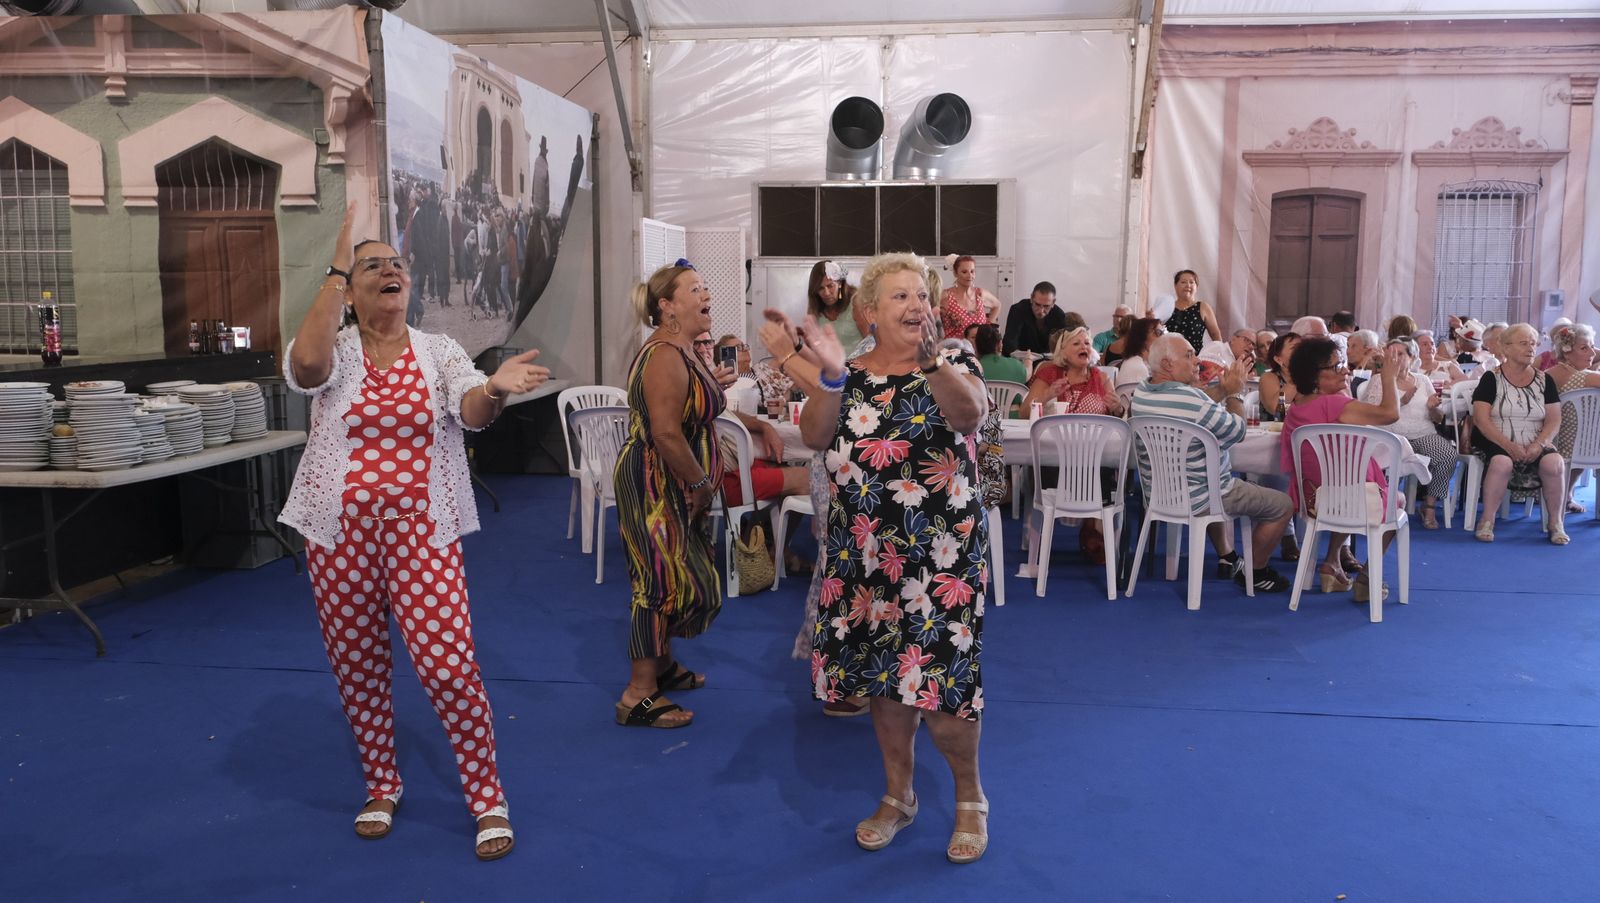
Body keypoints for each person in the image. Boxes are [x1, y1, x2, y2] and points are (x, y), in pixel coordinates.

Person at [281, 208, 550, 861]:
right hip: (337, 535)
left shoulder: (439, 351)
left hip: (420, 533)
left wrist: (494, 388)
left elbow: (470, 408)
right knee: (358, 666)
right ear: (349, 285)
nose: (391, 270)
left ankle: (487, 795)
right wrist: (336, 270)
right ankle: (381, 783)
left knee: (447, 664)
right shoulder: (339, 350)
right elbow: (306, 367)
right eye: (373, 264)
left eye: (397, 263)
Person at [795, 252, 991, 863]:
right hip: (866, 555)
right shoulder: (847, 370)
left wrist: (932, 362)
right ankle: (899, 795)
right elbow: (815, 436)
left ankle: (969, 798)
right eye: (900, 297)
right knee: (885, 682)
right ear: (870, 313)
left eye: (921, 296)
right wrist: (829, 376)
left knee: (945, 684)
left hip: (941, 557)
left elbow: (971, 415)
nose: (915, 306)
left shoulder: (952, 359)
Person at [613, 264, 736, 730]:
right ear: (667, 307)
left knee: (682, 574)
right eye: (695, 289)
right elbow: (664, 433)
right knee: (658, 582)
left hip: (671, 480)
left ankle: (661, 665)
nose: (707, 294)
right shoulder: (665, 353)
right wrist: (700, 483)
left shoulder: (682, 349)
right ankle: (638, 694)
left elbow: (681, 412)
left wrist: (710, 391)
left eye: (705, 286)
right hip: (656, 481)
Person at [1130, 335, 1294, 592]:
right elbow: (1238, 431)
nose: (1197, 361)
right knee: (1283, 505)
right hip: (1203, 495)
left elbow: (1194, 401)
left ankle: (1228, 556)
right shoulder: (1193, 402)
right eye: (1189, 355)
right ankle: (1257, 571)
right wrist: (1236, 394)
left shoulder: (1141, 392)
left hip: (1159, 495)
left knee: (1210, 478)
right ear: (1167, 364)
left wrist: (1224, 390)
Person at [1280, 337, 1406, 601]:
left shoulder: (1296, 409)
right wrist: (1388, 376)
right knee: (1398, 500)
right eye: (1337, 367)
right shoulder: (1335, 406)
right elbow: (1390, 413)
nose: (1346, 370)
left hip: (1315, 500)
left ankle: (1331, 563)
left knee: (1347, 487)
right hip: (1348, 499)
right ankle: (1367, 578)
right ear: (1315, 376)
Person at [709, 334, 814, 572]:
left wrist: (764, 425)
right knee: (810, 479)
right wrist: (764, 426)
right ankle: (768, 549)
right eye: (701, 345)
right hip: (726, 478)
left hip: (726, 470)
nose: (743, 352)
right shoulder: (717, 387)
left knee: (786, 470)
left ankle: (767, 545)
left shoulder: (718, 387)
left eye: (744, 346)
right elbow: (732, 430)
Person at [1024, 325, 1125, 561]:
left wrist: (1118, 408)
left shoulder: (1101, 377)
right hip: (1054, 459)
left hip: (1093, 459)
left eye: (1087, 343)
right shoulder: (1049, 373)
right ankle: (1089, 530)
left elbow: (1117, 417)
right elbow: (1023, 412)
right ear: (1064, 352)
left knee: (1104, 469)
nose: (1084, 347)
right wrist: (1048, 394)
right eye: (1077, 344)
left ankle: (1096, 533)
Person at [1471, 323, 1568, 544]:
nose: (1530, 348)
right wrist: (1509, 445)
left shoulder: (1545, 380)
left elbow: (1554, 419)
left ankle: (1555, 522)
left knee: (1555, 463)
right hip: (1498, 436)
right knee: (1502, 463)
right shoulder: (1490, 379)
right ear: (1505, 348)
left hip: (1536, 438)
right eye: (1523, 343)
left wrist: (1539, 445)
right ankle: (1487, 520)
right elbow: (1481, 420)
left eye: (1533, 343)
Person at [1359, 337, 1459, 530]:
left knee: (1448, 455)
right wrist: (1403, 401)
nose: (1394, 358)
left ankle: (1429, 505)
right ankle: (1384, 505)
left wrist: (1433, 409)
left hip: (1422, 433)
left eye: (1400, 354)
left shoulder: (1422, 380)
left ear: (1412, 358)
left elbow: (1437, 418)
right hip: (1389, 435)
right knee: (1386, 458)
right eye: (1390, 354)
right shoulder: (1379, 381)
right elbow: (1371, 415)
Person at [1546, 323, 1600, 513]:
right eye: (1584, 348)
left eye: (1593, 346)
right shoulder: (1585, 377)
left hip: (1569, 440)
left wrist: (1588, 349)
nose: (1592, 352)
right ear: (1567, 352)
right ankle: (1562, 495)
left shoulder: (1553, 372)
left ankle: (1566, 495)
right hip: (1570, 443)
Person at [807, 260, 867, 356]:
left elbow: (870, 341)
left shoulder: (856, 301)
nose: (826, 293)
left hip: (858, 365)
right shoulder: (815, 309)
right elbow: (813, 347)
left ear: (840, 283)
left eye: (830, 286)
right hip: (829, 367)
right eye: (820, 288)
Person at [940, 254, 1001, 339]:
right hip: (955, 349)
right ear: (955, 273)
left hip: (980, 350)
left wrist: (988, 325)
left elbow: (997, 305)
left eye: (972, 271)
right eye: (964, 272)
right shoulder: (946, 296)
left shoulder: (979, 294)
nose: (970, 275)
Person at [1164, 269, 1222, 352]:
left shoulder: (1203, 307)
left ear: (1196, 286)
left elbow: (1215, 334)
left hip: (1195, 359)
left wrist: (1219, 354)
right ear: (1175, 285)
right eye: (1183, 282)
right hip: (1169, 359)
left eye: (1191, 282)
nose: (1188, 285)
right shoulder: (1167, 306)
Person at [1110, 317, 1164, 393]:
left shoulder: (1145, 363)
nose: (1162, 337)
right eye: (1158, 332)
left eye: (1163, 333)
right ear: (1142, 336)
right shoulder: (1136, 366)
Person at [1259, 332, 1302, 422]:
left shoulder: (1312, 376)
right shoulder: (1269, 377)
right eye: (1295, 348)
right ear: (1278, 359)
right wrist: (1298, 376)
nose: (1302, 351)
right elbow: (1275, 408)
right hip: (1273, 432)